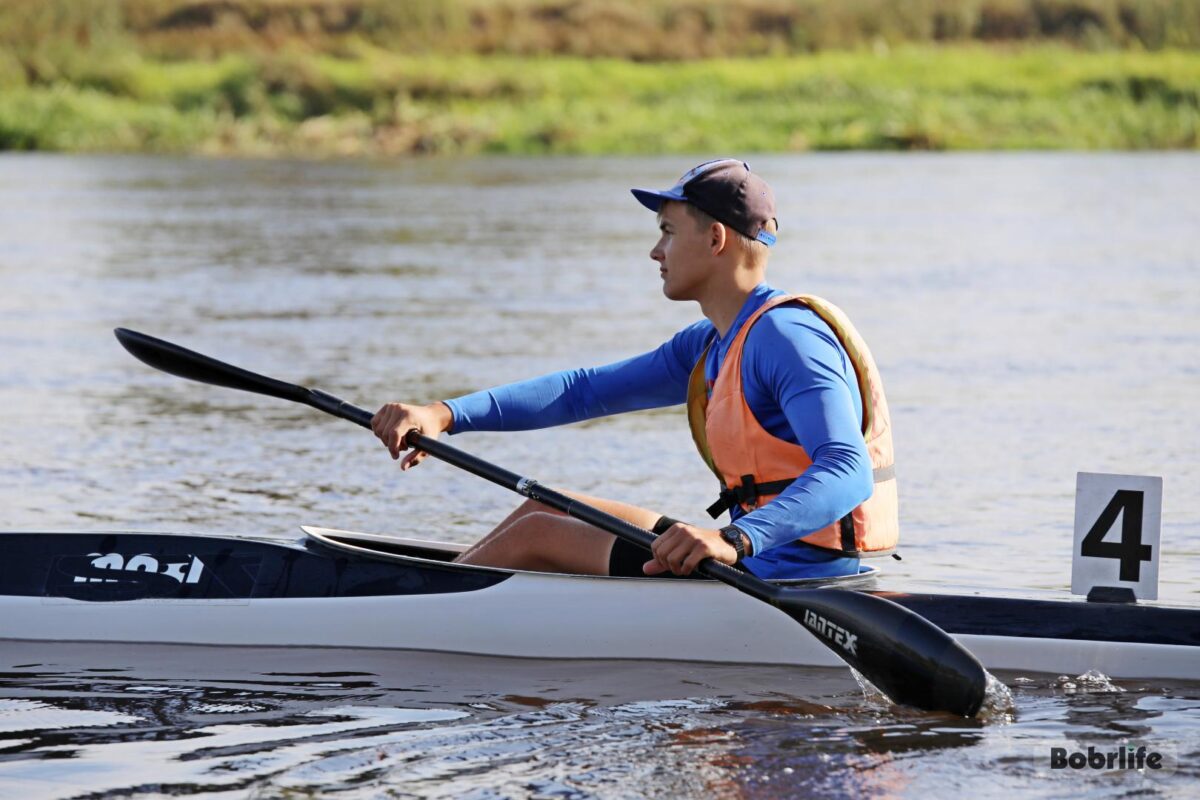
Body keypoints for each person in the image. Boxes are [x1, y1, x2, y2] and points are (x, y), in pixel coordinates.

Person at [371, 158, 898, 579]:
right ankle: (432, 597)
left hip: (784, 574)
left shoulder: (787, 339)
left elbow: (847, 471)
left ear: (715, 239)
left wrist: (732, 539)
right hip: (757, 558)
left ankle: (398, 626)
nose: (655, 251)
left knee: (537, 536)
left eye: (668, 232)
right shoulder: (714, 341)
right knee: (549, 510)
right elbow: (582, 392)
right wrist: (444, 414)